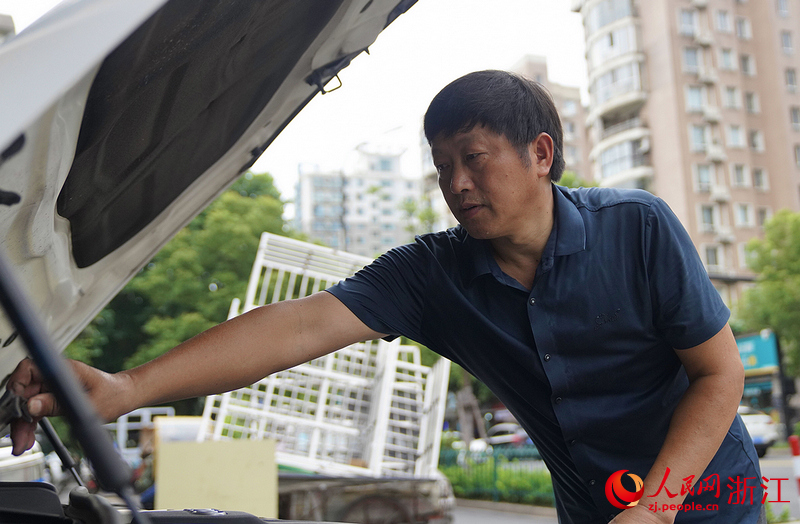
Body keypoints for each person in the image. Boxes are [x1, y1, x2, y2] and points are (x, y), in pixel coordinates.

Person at [8, 70, 761, 524]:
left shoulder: (638, 228)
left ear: (540, 154)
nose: (456, 183)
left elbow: (719, 373)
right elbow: (299, 326)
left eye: (474, 158)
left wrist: (657, 505)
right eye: (442, 165)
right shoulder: (433, 274)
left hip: (705, 500)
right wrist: (126, 388)